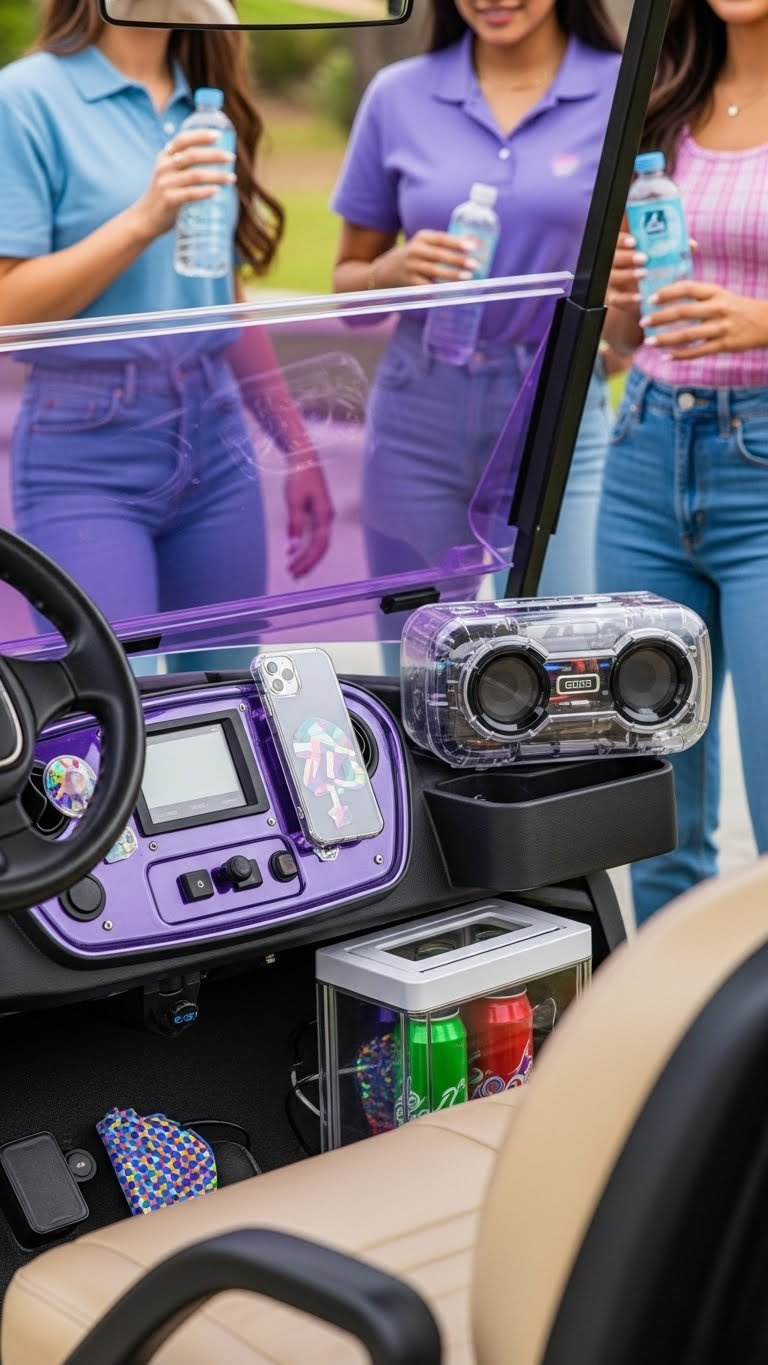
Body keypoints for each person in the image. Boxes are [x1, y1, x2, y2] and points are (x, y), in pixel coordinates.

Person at [0, 0, 332, 629]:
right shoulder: (23, 99)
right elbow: (7, 309)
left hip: (216, 437)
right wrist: (142, 222)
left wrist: (298, 449)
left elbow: (223, 302)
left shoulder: (205, 103)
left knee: (229, 688)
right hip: (87, 448)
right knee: (107, 705)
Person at [330, 0, 621, 640]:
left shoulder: (626, 89)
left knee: (568, 655)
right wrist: (392, 271)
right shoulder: (397, 96)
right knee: (418, 667)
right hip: (418, 413)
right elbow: (348, 293)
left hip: (559, 405)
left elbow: (639, 291)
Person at [598, 0, 768, 926]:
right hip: (647, 454)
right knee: (654, 807)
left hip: (763, 466)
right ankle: (676, 1053)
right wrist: (623, 298)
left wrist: (763, 322)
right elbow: (624, 342)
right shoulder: (663, 105)